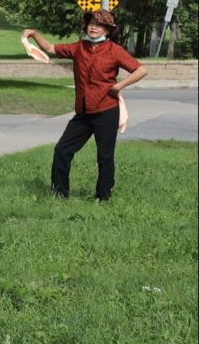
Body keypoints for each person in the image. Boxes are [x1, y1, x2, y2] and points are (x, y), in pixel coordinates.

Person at [23, 10, 147, 201]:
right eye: (91, 23)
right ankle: (59, 194)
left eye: (99, 25)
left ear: (107, 30)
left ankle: (103, 196)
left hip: (106, 110)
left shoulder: (114, 50)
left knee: (104, 156)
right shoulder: (79, 47)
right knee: (62, 150)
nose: (94, 27)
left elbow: (141, 70)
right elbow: (51, 48)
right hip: (83, 112)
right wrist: (33, 34)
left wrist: (118, 86)